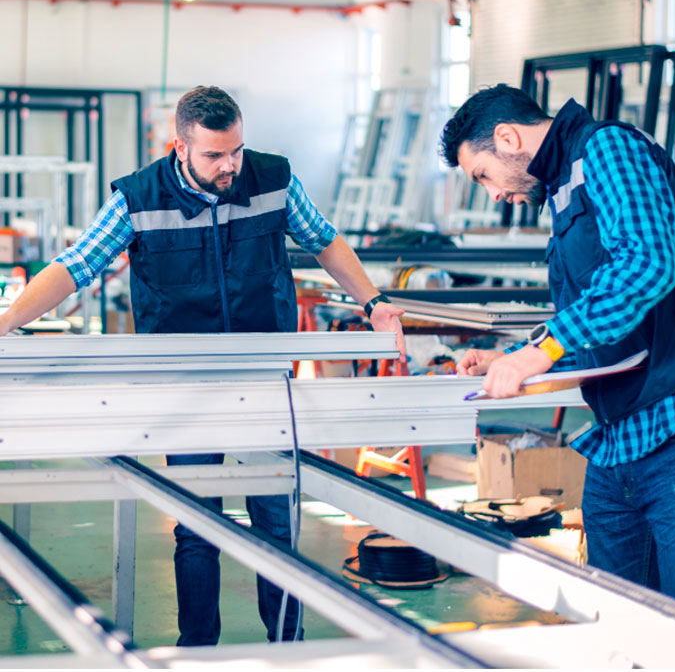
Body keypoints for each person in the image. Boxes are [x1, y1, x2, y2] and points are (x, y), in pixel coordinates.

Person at [0, 85, 405, 646]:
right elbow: (75, 266)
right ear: (180, 147)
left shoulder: (273, 179)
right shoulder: (138, 198)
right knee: (195, 525)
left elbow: (325, 241)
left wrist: (374, 303)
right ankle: (197, 651)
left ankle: (288, 645)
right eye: (214, 155)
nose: (230, 166)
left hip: (265, 381)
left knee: (276, 520)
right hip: (183, 386)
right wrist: (4, 322)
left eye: (236, 150)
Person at [442, 83, 675, 622]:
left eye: (482, 175)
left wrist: (540, 351)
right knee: (616, 629)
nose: (491, 193)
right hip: (618, 446)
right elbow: (596, 319)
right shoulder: (564, 189)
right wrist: (510, 356)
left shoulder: (609, 150)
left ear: (507, 137)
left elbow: (645, 266)